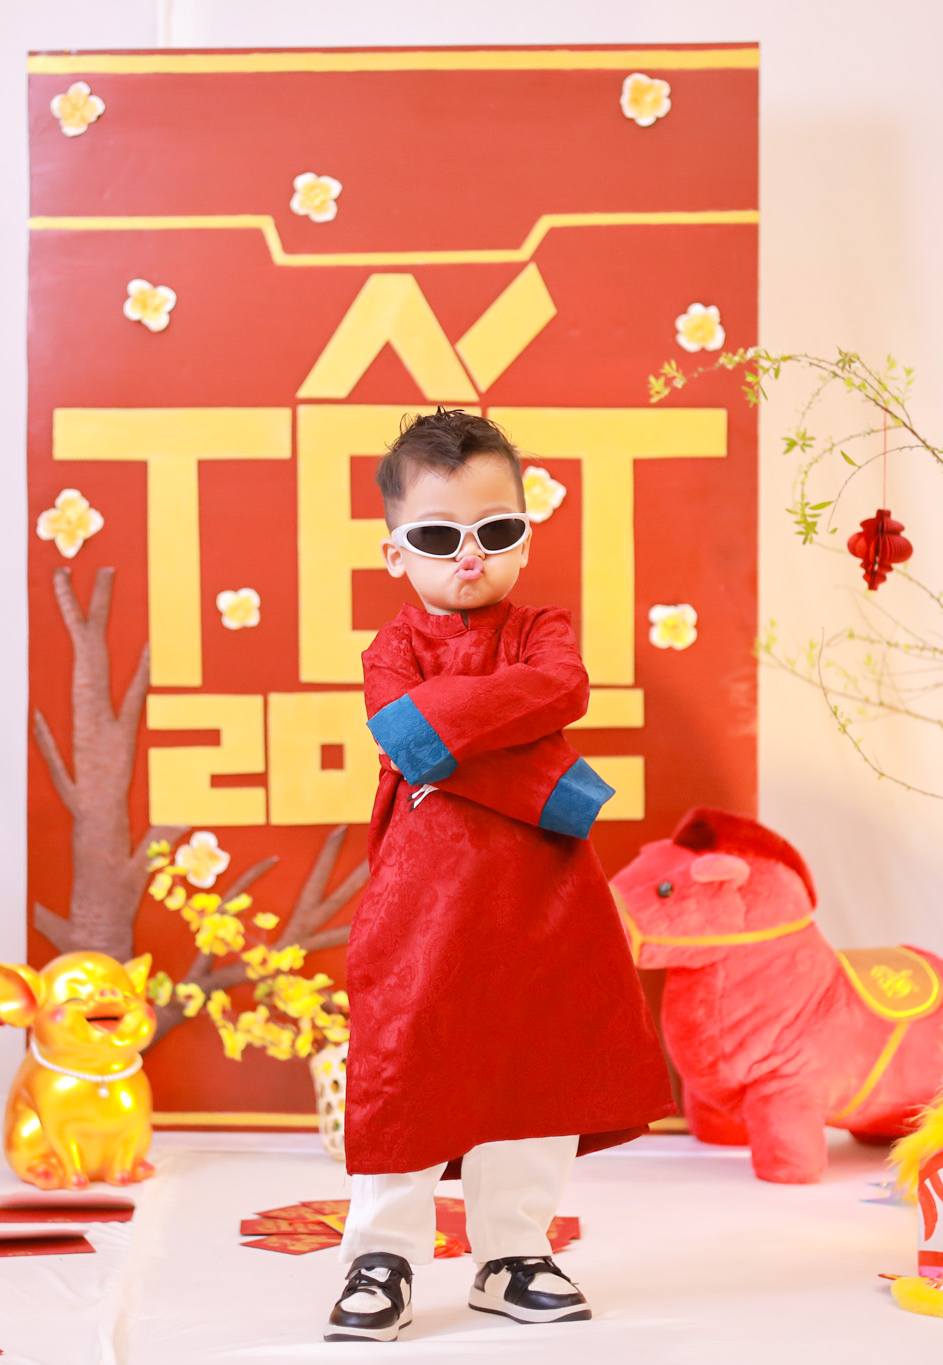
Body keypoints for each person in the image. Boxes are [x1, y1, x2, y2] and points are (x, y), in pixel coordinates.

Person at [327, 410, 675, 1343]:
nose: (471, 555)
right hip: (422, 902)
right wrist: (552, 782)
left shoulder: (542, 631)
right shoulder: (391, 649)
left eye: (497, 529)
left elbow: (558, 689)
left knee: (536, 1060)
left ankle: (513, 1251)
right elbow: (401, 735)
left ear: (526, 536)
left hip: (541, 895)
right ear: (396, 553)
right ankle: (381, 1254)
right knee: (405, 1064)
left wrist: (440, 736)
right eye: (441, 538)